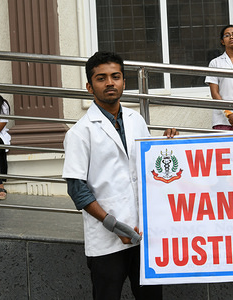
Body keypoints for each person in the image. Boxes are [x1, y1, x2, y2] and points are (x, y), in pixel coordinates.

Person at [62, 51, 176, 300]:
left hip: (143, 235)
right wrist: (113, 224)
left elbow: (148, 170)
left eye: (116, 76)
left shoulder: (137, 121)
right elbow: (77, 189)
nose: (110, 82)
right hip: (106, 240)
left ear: (124, 81)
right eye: (101, 78)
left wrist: (168, 146)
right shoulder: (80, 133)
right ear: (89, 86)